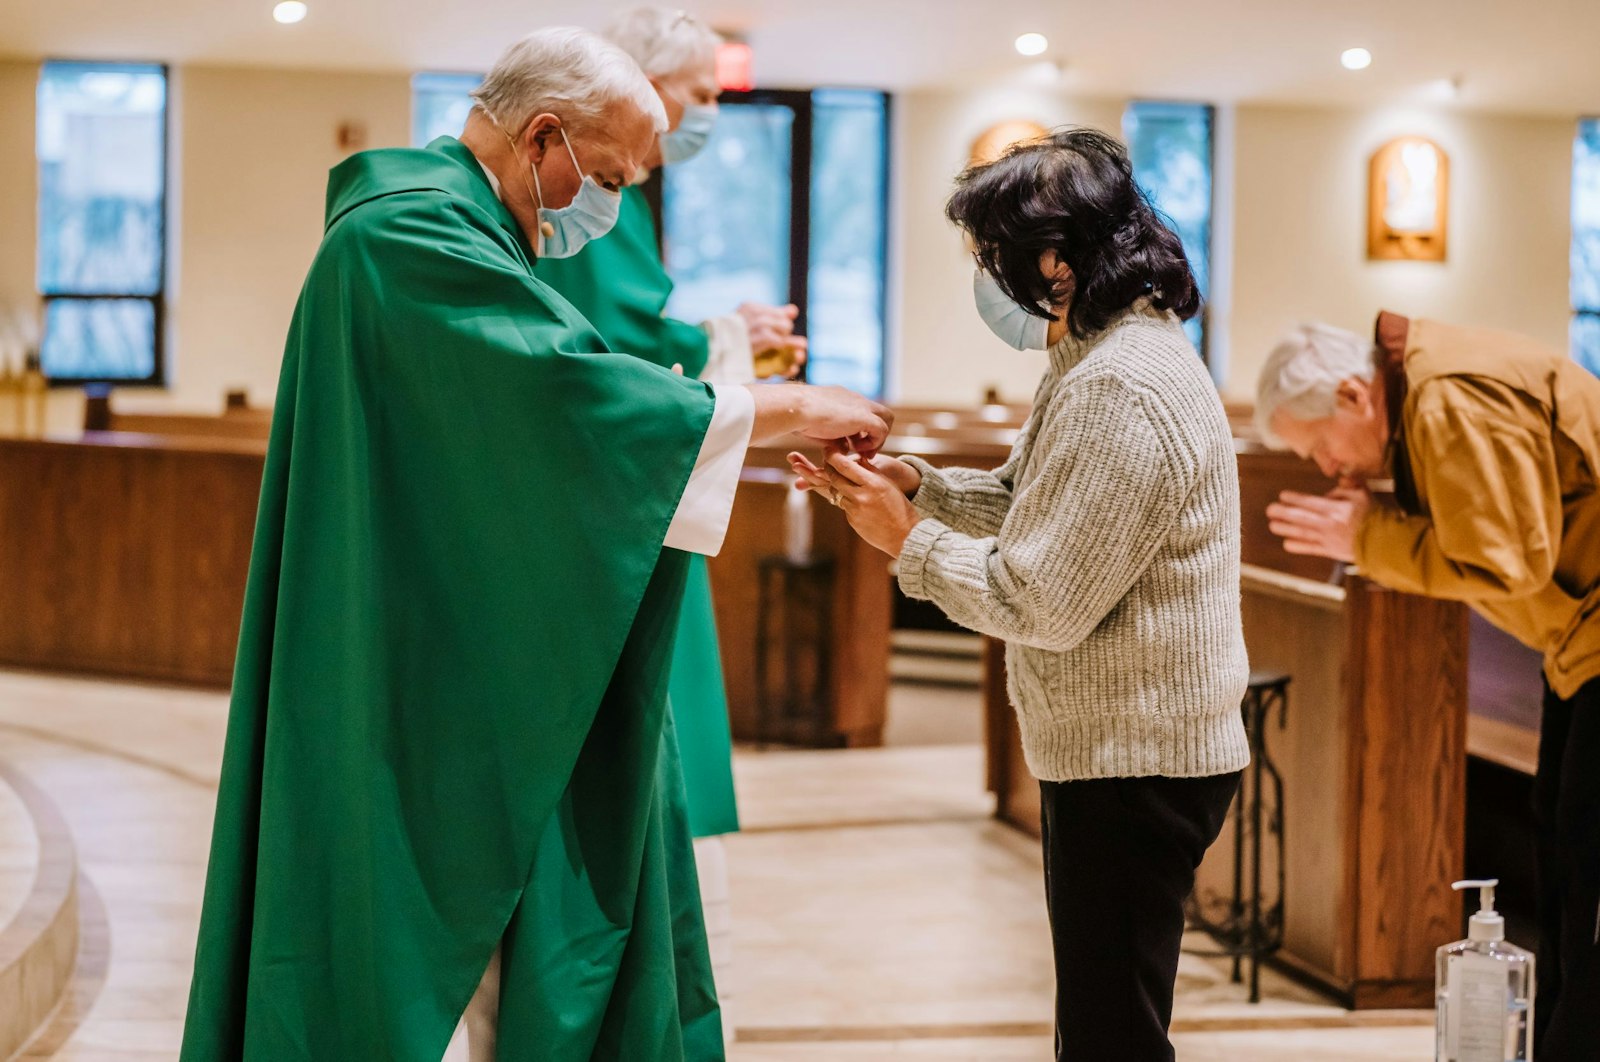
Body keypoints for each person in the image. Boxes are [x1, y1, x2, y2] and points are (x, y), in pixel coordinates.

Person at [179, 27, 891, 1062]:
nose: (600, 212)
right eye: (604, 178)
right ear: (543, 137)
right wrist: (780, 409)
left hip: (441, 630)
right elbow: (568, 400)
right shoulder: (408, 240)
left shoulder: (455, 231)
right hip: (408, 667)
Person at [790, 128, 1249, 1062]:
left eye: (991, 258)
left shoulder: (1122, 384)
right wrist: (913, 486)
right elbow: (1023, 500)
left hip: (1138, 758)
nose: (986, 281)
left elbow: (1041, 599)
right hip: (1124, 750)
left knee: (1110, 1034)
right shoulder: (1100, 353)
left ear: (1054, 258)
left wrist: (907, 543)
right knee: (1104, 1022)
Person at [534, 9, 798, 1029]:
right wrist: (725, 350)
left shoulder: (614, 190)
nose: (702, 119)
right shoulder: (589, 190)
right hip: (609, 512)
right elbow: (608, 353)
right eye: (694, 97)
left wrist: (721, 337)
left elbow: (636, 332)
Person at [1257, 314, 1600, 1062]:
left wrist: (1368, 540)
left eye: (1317, 446)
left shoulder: (1446, 400)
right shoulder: (1425, 394)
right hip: (1579, 646)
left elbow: (1512, 562)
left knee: (1587, 873)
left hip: (1593, 639)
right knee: (1566, 860)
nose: (1327, 468)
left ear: (1353, 394)